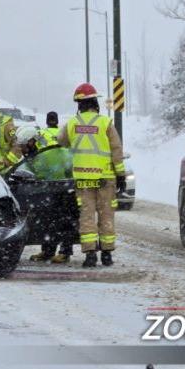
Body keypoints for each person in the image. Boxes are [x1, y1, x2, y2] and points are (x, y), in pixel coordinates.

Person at [58, 83, 126, 268]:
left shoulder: (72, 123)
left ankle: (89, 255)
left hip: (83, 181)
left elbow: (61, 142)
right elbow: (116, 151)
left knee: (86, 216)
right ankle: (106, 254)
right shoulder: (105, 123)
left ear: (79, 104)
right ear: (95, 102)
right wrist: (121, 175)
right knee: (106, 216)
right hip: (105, 178)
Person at [15, 126, 74, 263]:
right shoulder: (35, 153)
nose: (21, 150)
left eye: (23, 146)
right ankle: (47, 251)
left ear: (31, 142)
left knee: (64, 221)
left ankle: (65, 252)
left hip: (63, 189)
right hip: (50, 191)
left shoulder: (48, 155)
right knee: (47, 220)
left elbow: (56, 176)